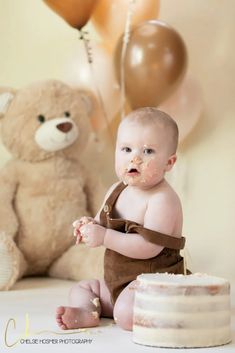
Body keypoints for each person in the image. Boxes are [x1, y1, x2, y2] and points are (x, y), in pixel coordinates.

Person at [56, 107, 186, 331]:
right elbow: (100, 222)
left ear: (169, 163)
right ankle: (88, 312)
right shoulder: (116, 190)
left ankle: (176, 314)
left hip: (153, 281)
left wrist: (104, 236)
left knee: (125, 314)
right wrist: (89, 225)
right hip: (117, 282)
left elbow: (149, 248)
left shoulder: (162, 200)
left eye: (148, 151)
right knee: (83, 289)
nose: (134, 157)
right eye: (126, 149)